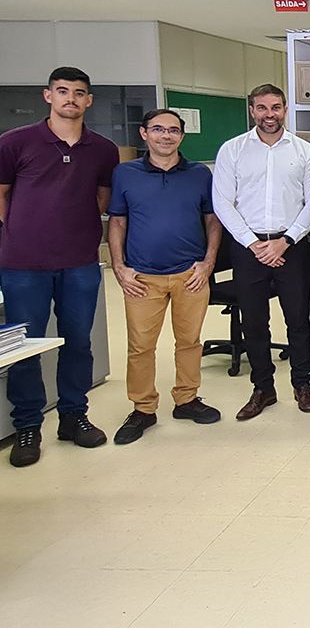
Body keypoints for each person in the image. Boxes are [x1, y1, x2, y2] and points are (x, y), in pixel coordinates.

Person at [0, 67, 119, 467]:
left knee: (78, 342)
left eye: (79, 92)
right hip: (23, 264)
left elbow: (101, 198)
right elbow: (2, 195)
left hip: (79, 262)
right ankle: (28, 425)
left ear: (89, 100)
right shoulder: (15, 142)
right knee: (26, 345)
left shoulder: (103, 149)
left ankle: (73, 416)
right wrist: (22, 231)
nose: (71, 98)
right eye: (63, 91)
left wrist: (73, 231)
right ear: (48, 95)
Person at [107, 109, 222, 444]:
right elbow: (117, 221)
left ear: (182, 136)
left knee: (189, 342)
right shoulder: (125, 173)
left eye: (173, 130)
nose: (166, 136)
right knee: (140, 346)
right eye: (158, 129)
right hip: (142, 277)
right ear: (144, 134)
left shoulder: (199, 174)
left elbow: (212, 220)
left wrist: (208, 263)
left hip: (190, 274)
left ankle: (187, 399)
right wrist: (119, 267)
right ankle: (143, 408)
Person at [213, 84, 310, 420]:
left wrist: (285, 241)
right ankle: (263, 388)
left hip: (292, 247)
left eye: (275, 107)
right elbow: (222, 202)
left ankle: (302, 384)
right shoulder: (232, 150)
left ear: (285, 110)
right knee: (254, 322)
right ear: (252, 111)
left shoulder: (305, 152)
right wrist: (253, 244)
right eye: (262, 108)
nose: (269, 114)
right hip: (249, 249)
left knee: (298, 321)